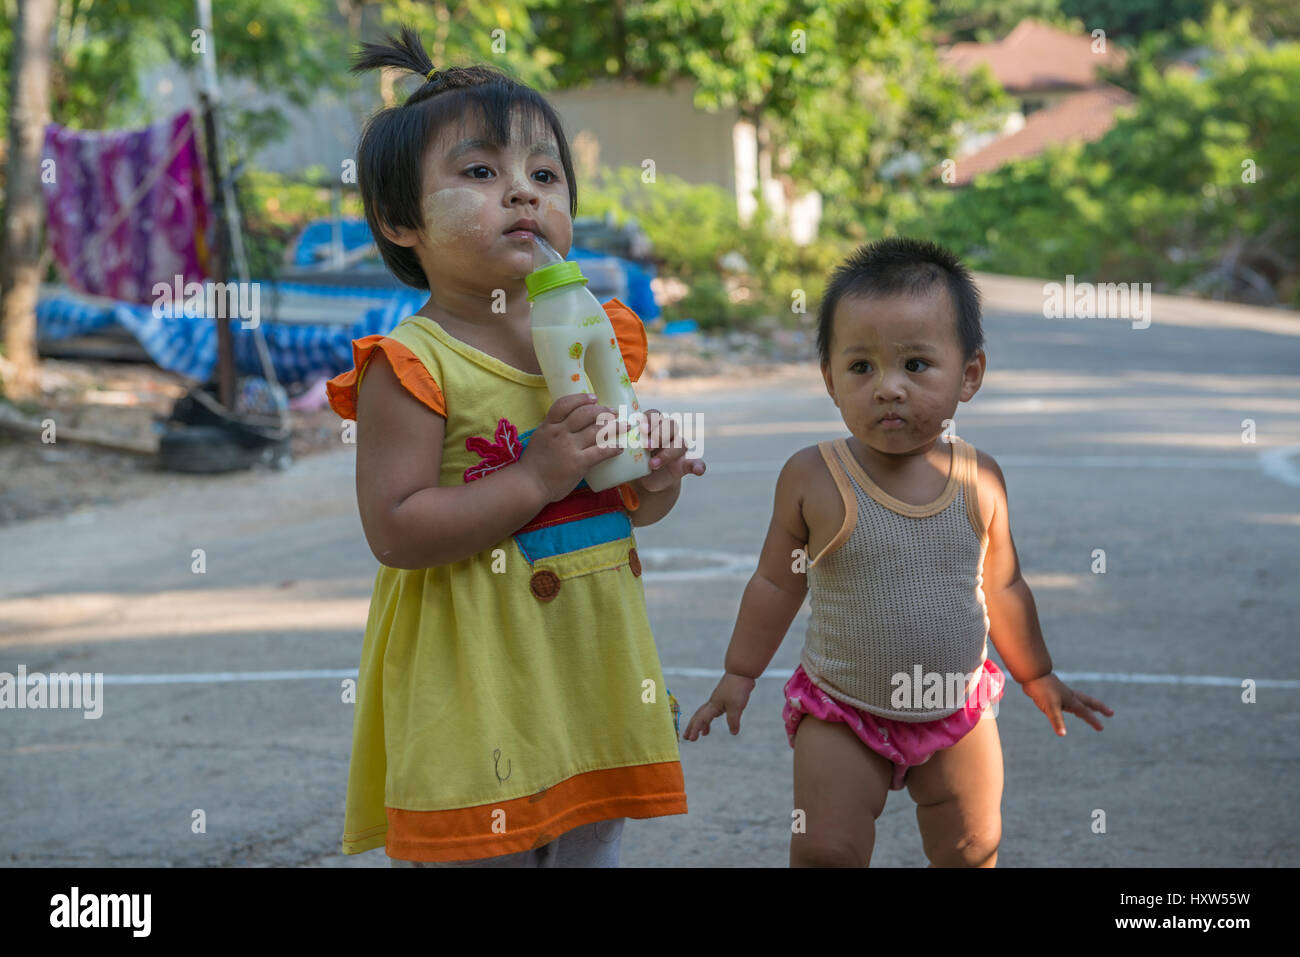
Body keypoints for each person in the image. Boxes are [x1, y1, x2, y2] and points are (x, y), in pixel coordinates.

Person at [325, 26, 704, 867]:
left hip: (587, 665)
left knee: (587, 844)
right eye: (481, 173)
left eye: (543, 175)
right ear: (400, 220)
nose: (523, 194)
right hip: (479, 680)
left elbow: (626, 503)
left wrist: (660, 473)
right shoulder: (414, 364)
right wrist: (534, 473)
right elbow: (396, 528)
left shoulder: (592, 333)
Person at [683, 237, 1113, 867]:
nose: (888, 388)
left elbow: (1004, 587)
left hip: (957, 707)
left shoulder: (980, 478)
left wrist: (1036, 674)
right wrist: (739, 674)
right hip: (842, 707)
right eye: (861, 368)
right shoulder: (812, 476)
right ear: (830, 379)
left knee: (972, 846)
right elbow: (776, 584)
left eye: (915, 365)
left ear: (969, 375)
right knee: (825, 849)